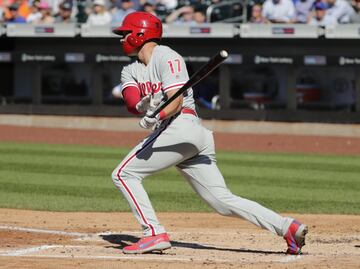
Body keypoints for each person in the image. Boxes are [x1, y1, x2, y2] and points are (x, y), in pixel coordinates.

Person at [110, 11, 308, 255]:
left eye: (125, 33)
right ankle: (287, 227)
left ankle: (153, 233)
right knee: (221, 201)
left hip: (181, 127)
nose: (121, 38)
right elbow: (131, 102)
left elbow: (176, 101)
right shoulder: (130, 70)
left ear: (140, 34)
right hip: (182, 135)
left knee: (123, 174)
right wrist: (145, 106)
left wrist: (157, 114)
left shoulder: (168, 56)